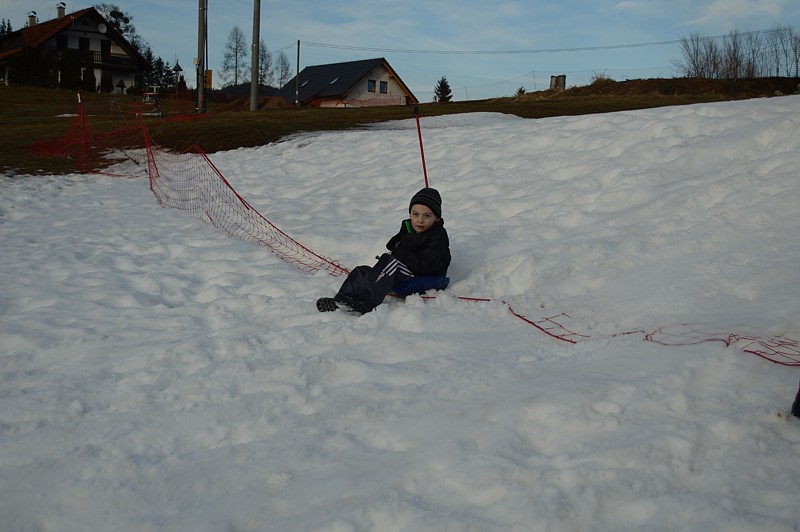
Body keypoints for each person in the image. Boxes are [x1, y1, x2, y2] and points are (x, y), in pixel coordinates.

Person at [317, 187, 451, 314]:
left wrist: (398, 253)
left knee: (390, 262)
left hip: (426, 277)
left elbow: (425, 266)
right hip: (407, 271)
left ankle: (364, 303)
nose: (420, 220)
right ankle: (342, 300)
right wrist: (406, 232)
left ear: (437, 218)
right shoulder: (414, 230)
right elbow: (392, 246)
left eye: (427, 216)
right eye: (415, 214)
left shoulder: (437, 237)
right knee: (361, 271)